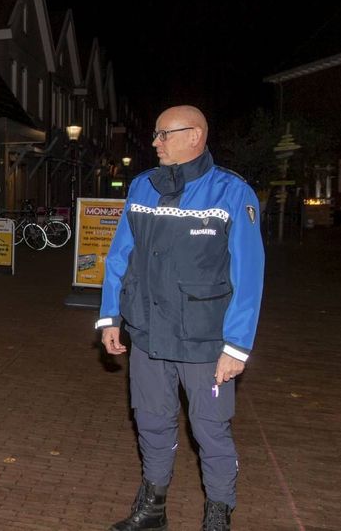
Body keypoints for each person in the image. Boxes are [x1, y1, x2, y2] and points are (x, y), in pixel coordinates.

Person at [97, 105, 265, 531]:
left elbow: (248, 273)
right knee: (151, 421)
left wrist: (237, 346)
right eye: (155, 134)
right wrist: (111, 315)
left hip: (205, 341)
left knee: (210, 430)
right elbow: (121, 256)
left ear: (195, 136)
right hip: (149, 334)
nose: (155, 143)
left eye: (163, 135)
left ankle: (217, 515)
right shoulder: (142, 187)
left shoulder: (231, 193)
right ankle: (153, 508)